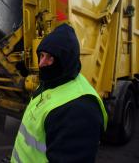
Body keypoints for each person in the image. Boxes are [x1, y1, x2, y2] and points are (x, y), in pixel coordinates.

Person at [11, 24, 108, 163]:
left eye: (50, 58)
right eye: (41, 55)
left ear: (66, 60)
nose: (42, 63)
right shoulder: (52, 81)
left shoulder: (79, 109)